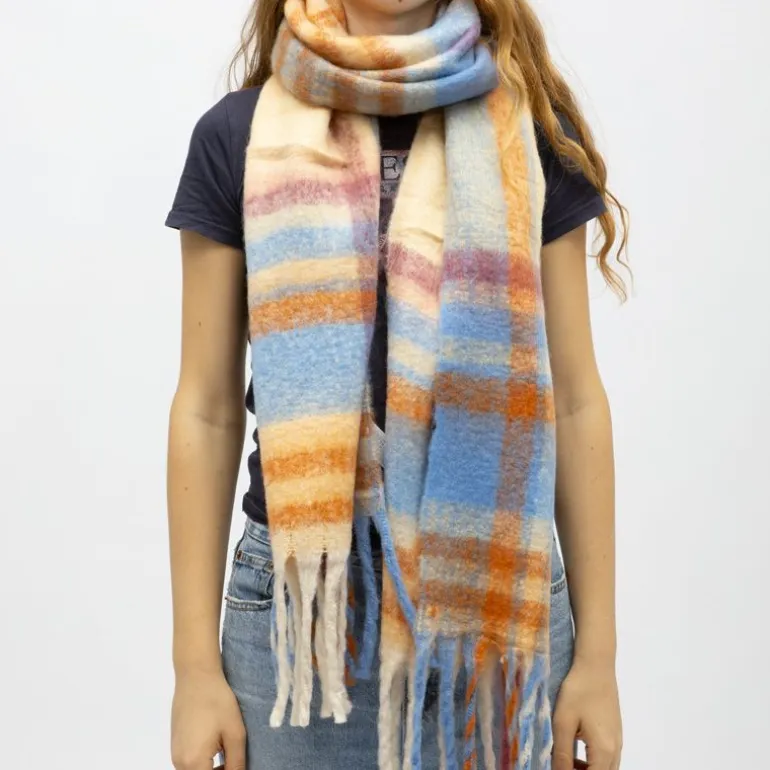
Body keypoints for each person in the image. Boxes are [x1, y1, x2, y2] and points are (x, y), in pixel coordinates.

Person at [165, 0, 627, 767]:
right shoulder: (237, 136)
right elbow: (206, 409)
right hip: (304, 615)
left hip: (493, 606)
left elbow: (576, 402)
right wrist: (192, 670)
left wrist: (599, 661)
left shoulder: (532, 133)